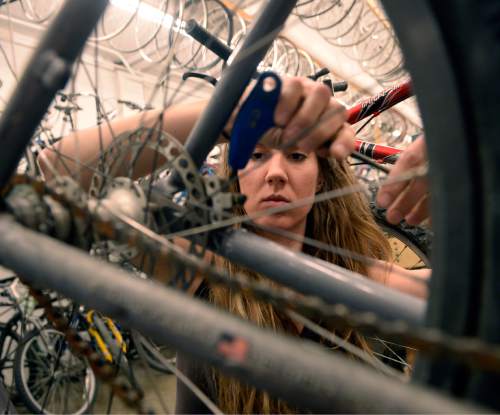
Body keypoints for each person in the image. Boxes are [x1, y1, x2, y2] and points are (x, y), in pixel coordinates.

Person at [38, 76, 429, 414]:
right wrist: (228, 114)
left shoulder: (370, 284)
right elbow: (60, 170)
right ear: (236, 173)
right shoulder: (201, 273)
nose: (275, 173)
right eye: (257, 155)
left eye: (295, 155)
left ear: (321, 179)